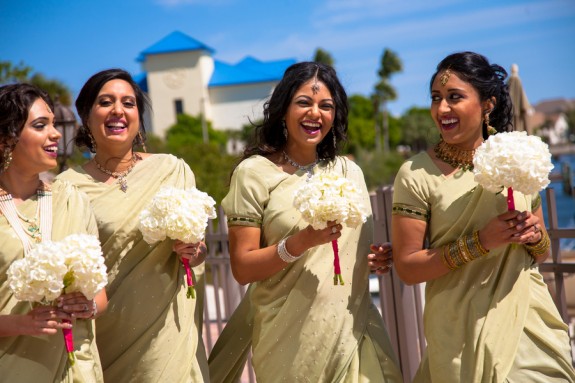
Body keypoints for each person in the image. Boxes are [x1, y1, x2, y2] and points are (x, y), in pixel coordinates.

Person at [208, 62, 402, 382]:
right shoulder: (254, 173)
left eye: (326, 106)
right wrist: (302, 242)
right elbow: (242, 268)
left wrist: (376, 258)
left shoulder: (348, 172)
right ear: (283, 109)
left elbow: (353, 249)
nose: (315, 113)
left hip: (353, 330)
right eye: (304, 102)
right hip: (288, 340)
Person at [392, 51, 575, 382]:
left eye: (454, 97)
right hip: (460, 331)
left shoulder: (518, 157)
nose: (442, 109)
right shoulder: (416, 173)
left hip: (526, 321)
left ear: (487, 104)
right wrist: (480, 242)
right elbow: (406, 267)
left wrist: (535, 235)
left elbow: (543, 253)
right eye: (436, 98)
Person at [57, 69, 209, 382]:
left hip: (169, 332)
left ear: (138, 116)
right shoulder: (67, 189)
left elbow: (200, 250)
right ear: (86, 116)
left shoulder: (171, 170)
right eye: (105, 102)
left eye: (128, 103)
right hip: (108, 334)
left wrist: (193, 252)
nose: (118, 110)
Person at [0, 83, 107, 382]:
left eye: (52, 123)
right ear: (5, 139)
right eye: (40, 125)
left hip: (79, 368)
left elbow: (100, 296)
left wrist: (87, 306)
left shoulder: (72, 200)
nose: (56, 133)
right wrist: (19, 323)